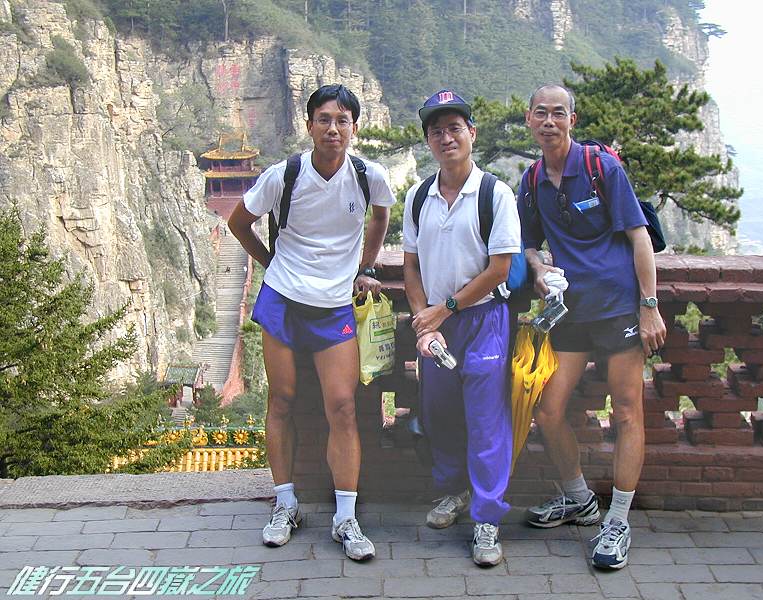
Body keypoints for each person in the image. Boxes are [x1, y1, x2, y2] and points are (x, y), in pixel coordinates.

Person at [228, 84, 396, 561]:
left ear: (354, 128)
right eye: (324, 119)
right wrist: (271, 264)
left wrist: (365, 266)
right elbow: (239, 222)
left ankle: (346, 517)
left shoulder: (367, 176)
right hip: (283, 301)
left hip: (335, 306)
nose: (333, 129)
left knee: (342, 406)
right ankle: (285, 504)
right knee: (281, 400)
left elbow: (380, 218)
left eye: (342, 121)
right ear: (309, 125)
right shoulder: (285, 174)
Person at [518, 84, 667, 569]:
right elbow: (528, 244)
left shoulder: (602, 168)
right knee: (547, 409)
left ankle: (618, 520)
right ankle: (579, 499)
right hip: (569, 311)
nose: (549, 121)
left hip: (619, 307)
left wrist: (649, 306)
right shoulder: (532, 180)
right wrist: (538, 269)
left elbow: (639, 238)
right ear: (529, 119)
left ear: (572, 120)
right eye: (541, 113)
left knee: (626, 412)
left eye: (558, 113)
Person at [403, 90, 520, 567]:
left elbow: (499, 269)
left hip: (483, 321)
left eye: (455, 128)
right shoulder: (419, 197)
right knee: (441, 412)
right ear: (428, 140)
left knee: (487, 420)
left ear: (472, 132)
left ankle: (487, 517)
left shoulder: (494, 194)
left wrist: (444, 310)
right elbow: (411, 268)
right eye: (437, 131)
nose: (446, 137)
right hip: (436, 325)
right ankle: (454, 491)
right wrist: (424, 324)